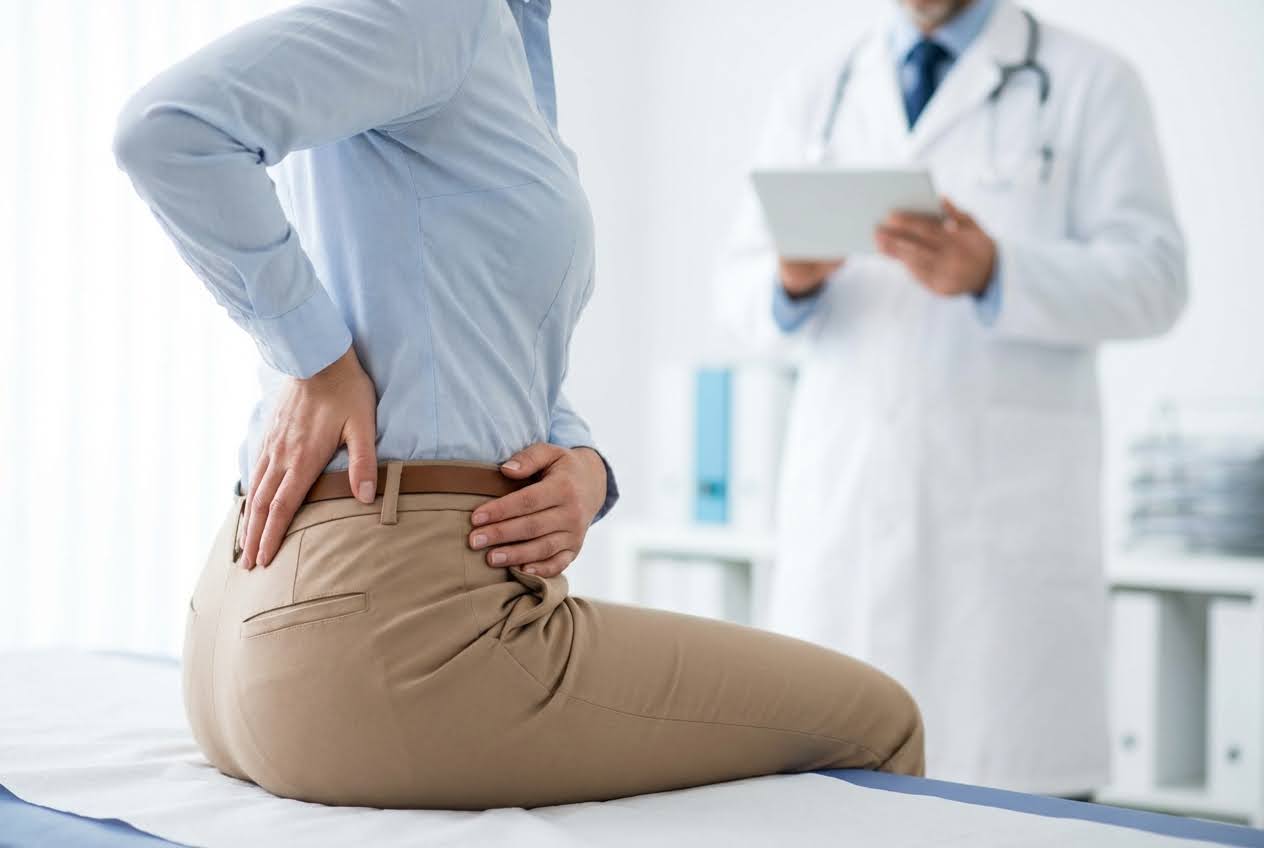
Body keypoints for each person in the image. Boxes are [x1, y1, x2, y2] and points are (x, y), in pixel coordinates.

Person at [113, 0, 923, 810]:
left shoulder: (492, 34)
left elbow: (481, 330)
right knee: (879, 721)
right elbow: (166, 131)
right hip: (380, 630)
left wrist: (585, 467)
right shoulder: (442, 16)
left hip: (247, 620)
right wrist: (316, 360)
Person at [715, 0, 1186, 796]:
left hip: (1001, 566)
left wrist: (997, 271)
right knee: (832, 805)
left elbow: (1156, 280)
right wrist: (788, 282)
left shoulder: (1090, 82)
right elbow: (735, 291)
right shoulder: (818, 90)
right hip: (847, 531)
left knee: (1012, 809)